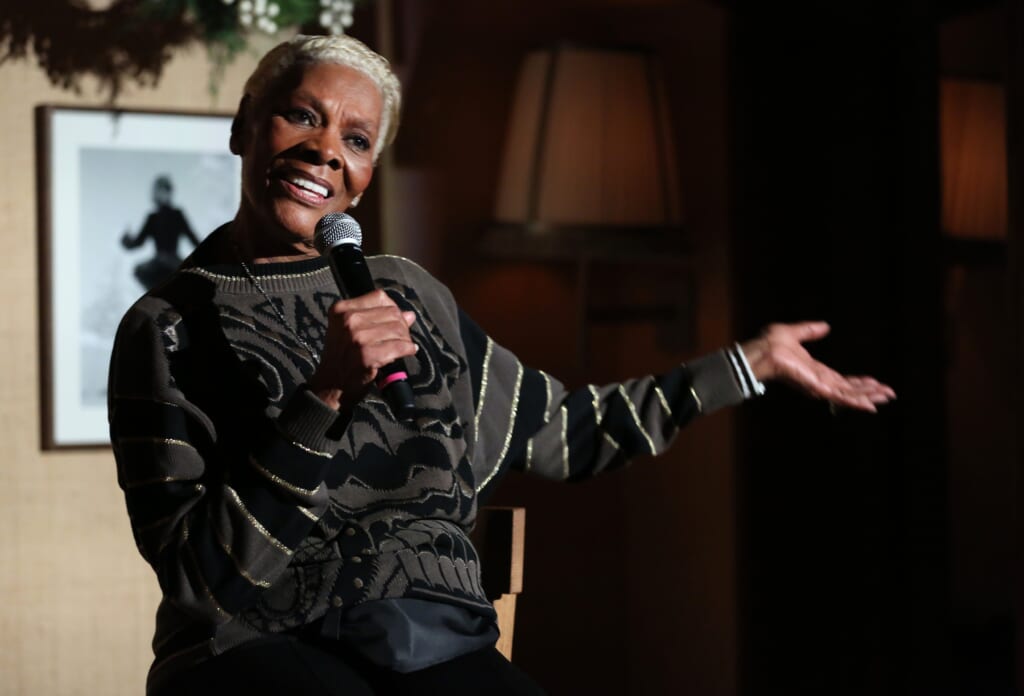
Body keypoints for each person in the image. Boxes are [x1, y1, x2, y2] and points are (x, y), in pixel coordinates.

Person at [107, 34, 895, 696]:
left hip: (430, 643)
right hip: (256, 647)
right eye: (302, 115)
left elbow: (566, 432)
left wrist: (747, 363)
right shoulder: (167, 328)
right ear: (245, 126)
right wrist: (325, 395)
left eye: (357, 139)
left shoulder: (412, 295)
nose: (326, 150)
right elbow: (201, 579)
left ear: (368, 175)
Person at [121, 174, 201, 290]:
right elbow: (138, 242)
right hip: (159, 265)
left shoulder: (177, 215)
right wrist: (127, 241)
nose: (164, 195)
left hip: (172, 263)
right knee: (139, 271)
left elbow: (193, 238)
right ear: (156, 194)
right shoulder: (153, 218)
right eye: (161, 192)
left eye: (166, 191)